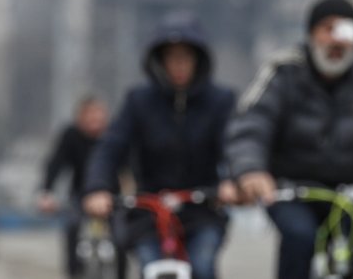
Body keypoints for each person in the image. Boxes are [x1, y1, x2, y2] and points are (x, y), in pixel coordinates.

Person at [226, 0, 353, 279]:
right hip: (294, 191)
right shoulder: (283, 72)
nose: (336, 40)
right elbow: (251, 125)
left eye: (345, 30)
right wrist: (251, 170)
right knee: (298, 237)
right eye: (327, 28)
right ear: (310, 34)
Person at [82, 14, 238, 279]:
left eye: (185, 57)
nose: (178, 65)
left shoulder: (221, 102)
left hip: (202, 209)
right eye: (171, 57)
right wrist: (98, 188)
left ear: (198, 60)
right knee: (148, 267)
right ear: (159, 61)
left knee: (202, 266)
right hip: (148, 212)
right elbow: (110, 148)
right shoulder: (138, 101)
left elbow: (235, 146)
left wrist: (234, 182)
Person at [37, 95, 120, 278]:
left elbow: (131, 164)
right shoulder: (70, 135)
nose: (94, 121)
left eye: (98, 115)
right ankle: (74, 273)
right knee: (72, 227)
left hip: (113, 196)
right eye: (89, 115)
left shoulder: (115, 135)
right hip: (80, 195)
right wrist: (46, 192)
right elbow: (56, 164)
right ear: (79, 117)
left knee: (121, 235)